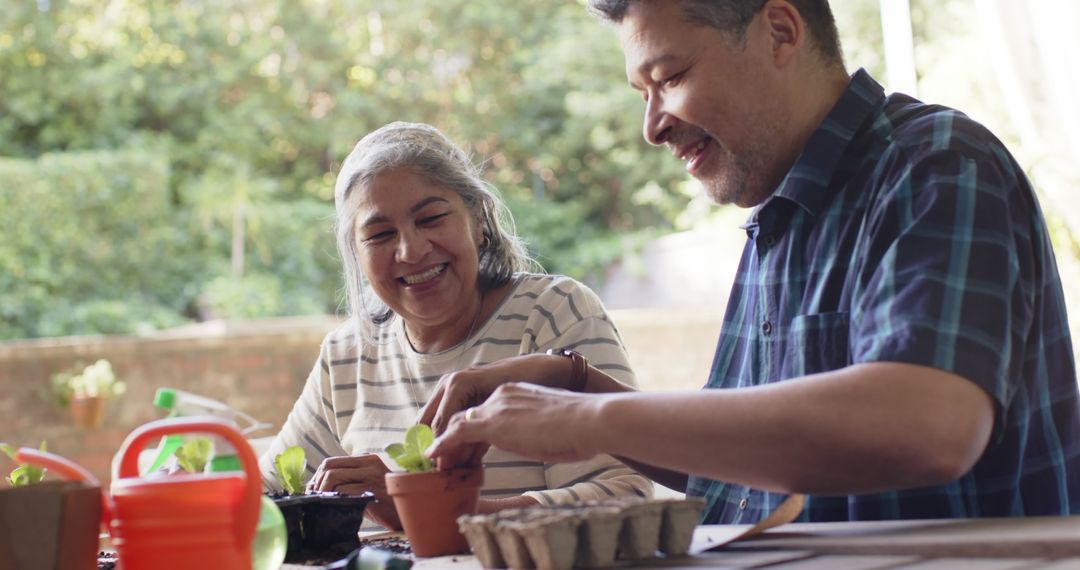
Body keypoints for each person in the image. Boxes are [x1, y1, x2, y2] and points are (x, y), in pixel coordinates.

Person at [424, 0, 1080, 523]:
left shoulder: (938, 165)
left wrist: (591, 420)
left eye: (670, 77)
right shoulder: (777, 216)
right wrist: (579, 390)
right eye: (640, 92)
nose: (651, 126)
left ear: (780, 32)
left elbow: (928, 425)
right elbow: (745, 467)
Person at [259, 122, 652, 530]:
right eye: (379, 235)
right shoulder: (345, 356)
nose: (411, 251)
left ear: (478, 219)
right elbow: (264, 496)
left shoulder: (551, 313)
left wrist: (426, 511)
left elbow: (624, 495)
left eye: (430, 218)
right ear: (356, 255)